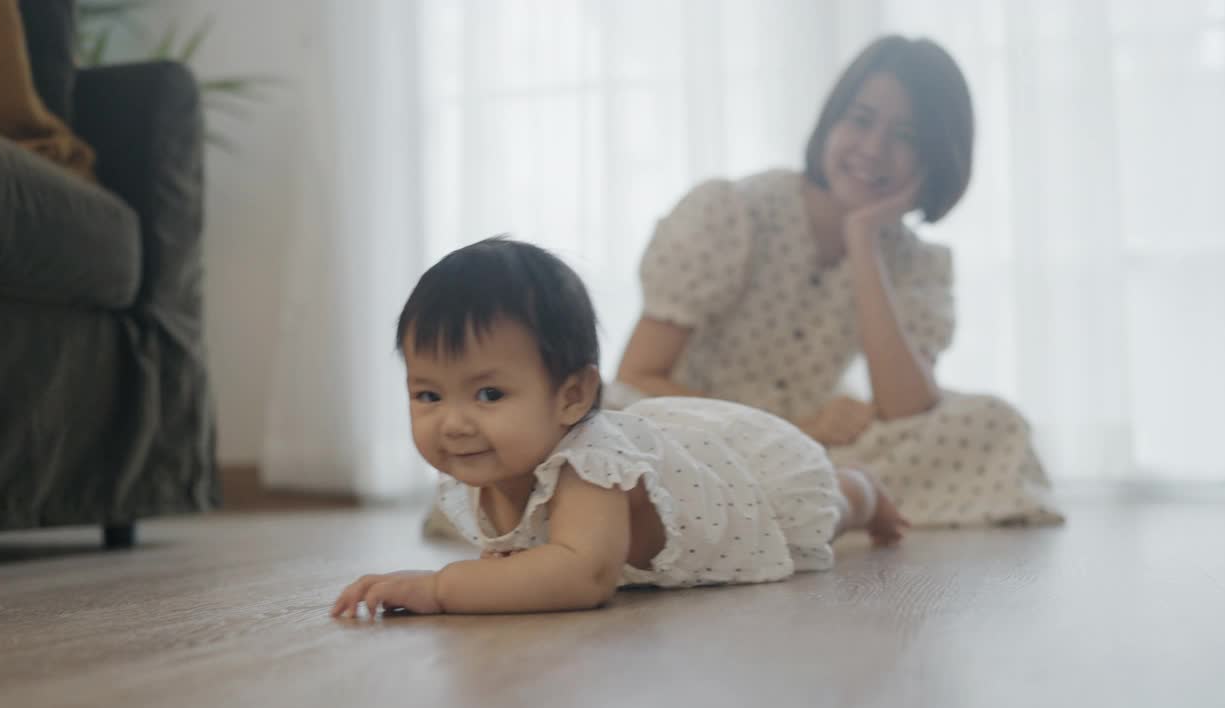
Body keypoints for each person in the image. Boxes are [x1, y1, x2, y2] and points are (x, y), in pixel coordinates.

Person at [615, 35, 1062, 527]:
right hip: (698, 433)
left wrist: (864, 239)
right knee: (619, 420)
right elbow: (638, 375)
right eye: (861, 119)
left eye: (907, 137)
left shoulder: (917, 263)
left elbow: (907, 408)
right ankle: (823, 504)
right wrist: (795, 427)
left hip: (821, 445)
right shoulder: (733, 212)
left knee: (992, 424)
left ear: (935, 158)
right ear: (832, 121)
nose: (874, 149)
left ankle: (805, 501)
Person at [332, 238, 906, 618]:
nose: (453, 422)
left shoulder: (590, 466)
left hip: (752, 496)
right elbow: (523, 566)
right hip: (684, 476)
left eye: (489, 394)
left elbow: (583, 574)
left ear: (572, 396)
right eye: (427, 394)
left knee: (827, 506)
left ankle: (865, 490)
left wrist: (438, 589)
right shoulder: (486, 470)